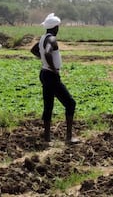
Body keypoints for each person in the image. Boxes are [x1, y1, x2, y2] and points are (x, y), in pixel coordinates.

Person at [31, 13, 79, 144]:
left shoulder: (42, 38)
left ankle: (47, 138)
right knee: (70, 103)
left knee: (48, 105)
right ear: (55, 27)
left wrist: (44, 62)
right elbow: (47, 52)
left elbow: (34, 50)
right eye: (58, 27)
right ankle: (69, 137)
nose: (58, 29)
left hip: (44, 73)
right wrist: (52, 68)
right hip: (51, 75)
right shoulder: (51, 39)